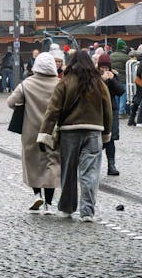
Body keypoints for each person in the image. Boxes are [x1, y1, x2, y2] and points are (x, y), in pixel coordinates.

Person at [38, 50, 113, 222]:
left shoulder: (65, 82)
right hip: (93, 131)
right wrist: (106, 132)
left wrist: (45, 133)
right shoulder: (99, 83)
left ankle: (67, 208)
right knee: (90, 173)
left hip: (69, 132)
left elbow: (53, 110)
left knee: (69, 172)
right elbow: (107, 109)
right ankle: (87, 212)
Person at [6, 53, 63, 213]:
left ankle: (37, 194)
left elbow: (11, 102)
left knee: (33, 164)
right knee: (52, 163)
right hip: (53, 131)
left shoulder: (27, 84)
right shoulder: (59, 84)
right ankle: (48, 203)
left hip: (30, 131)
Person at [97, 53, 124, 176]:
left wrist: (112, 79)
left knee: (111, 139)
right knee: (97, 139)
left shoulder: (114, 75)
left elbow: (120, 91)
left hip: (111, 109)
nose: (104, 70)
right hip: (97, 110)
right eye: (102, 67)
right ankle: (93, 165)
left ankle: (111, 165)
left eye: (106, 67)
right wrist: (101, 79)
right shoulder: (94, 76)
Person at [110, 39, 130, 115]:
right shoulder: (126, 57)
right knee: (123, 94)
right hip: (123, 78)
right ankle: (121, 111)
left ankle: (116, 109)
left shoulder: (111, 55)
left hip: (114, 78)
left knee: (116, 95)